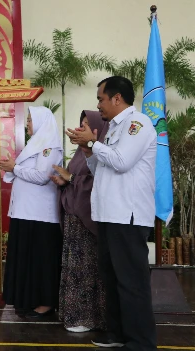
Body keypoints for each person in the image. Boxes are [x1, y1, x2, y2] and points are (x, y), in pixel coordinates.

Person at [66, 76, 157, 350]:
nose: (98, 104)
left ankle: (141, 342)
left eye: (101, 99)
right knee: (112, 278)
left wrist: (93, 144)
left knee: (132, 281)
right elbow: (100, 170)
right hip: (108, 214)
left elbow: (121, 161)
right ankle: (117, 334)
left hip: (127, 216)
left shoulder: (138, 124)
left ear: (117, 98)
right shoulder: (113, 128)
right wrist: (88, 150)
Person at [0, 106, 64, 318]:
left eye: (30, 120)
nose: (27, 124)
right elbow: (21, 172)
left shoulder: (50, 147)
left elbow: (42, 176)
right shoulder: (34, 145)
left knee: (41, 260)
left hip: (40, 214)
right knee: (26, 259)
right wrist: (10, 168)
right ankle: (27, 300)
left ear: (42, 122)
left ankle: (45, 303)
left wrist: (13, 168)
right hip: (25, 212)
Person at [50, 110, 108, 333]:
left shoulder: (101, 153)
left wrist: (71, 178)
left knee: (87, 271)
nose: (81, 128)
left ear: (98, 129)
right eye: (80, 123)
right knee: (74, 269)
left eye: (87, 125)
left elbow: (98, 182)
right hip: (75, 219)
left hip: (88, 221)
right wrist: (63, 181)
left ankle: (88, 318)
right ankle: (73, 315)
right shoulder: (79, 153)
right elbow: (73, 178)